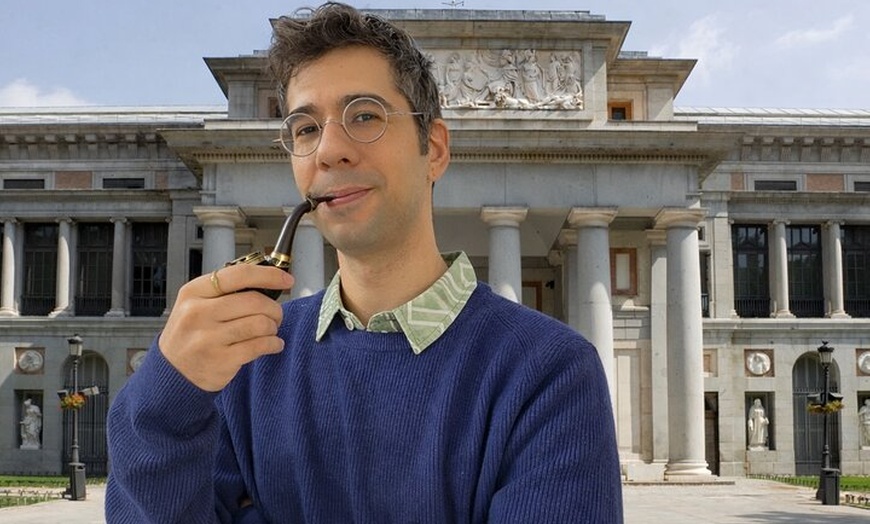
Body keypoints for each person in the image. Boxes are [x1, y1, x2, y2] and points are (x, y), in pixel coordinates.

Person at [105, 3, 622, 522]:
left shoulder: (551, 372)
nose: (329, 150)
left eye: (365, 116)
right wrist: (165, 396)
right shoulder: (245, 358)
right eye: (305, 128)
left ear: (434, 148)